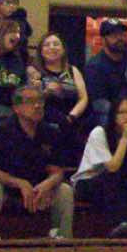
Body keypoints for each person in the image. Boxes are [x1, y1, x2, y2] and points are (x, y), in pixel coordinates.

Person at [0, 83, 72, 238]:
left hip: (39, 190)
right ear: (16, 108)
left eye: (40, 101)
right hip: (7, 189)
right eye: (30, 101)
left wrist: (47, 184)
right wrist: (20, 183)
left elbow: (57, 171)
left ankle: (64, 242)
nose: (37, 106)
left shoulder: (51, 132)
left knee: (65, 190)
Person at [73, 96, 127, 237]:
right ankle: (120, 222)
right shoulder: (99, 133)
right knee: (112, 176)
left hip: (117, 181)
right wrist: (125, 138)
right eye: (122, 112)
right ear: (114, 115)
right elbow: (112, 167)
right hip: (90, 181)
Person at [31, 33, 87, 168]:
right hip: (46, 120)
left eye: (56, 44)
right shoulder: (34, 71)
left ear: (63, 49)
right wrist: (45, 92)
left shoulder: (73, 70)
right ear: (41, 51)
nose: (52, 47)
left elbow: (83, 98)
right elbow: (29, 100)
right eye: (47, 45)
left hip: (71, 117)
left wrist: (71, 117)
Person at [0, 16, 30, 133]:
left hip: (10, 112)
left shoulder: (17, 60)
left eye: (19, 32)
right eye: (13, 31)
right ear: (1, 32)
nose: (17, 35)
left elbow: (21, 88)